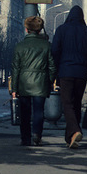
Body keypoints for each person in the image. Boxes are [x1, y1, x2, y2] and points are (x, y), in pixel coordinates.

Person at [50, 5, 87, 149]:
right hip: (81, 73)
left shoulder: (61, 30)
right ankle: (70, 138)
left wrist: (58, 67)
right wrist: (86, 66)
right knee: (76, 103)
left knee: (67, 103)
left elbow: (54, 50)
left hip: (65, 72)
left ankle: (76, 130)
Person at [10, 16, 57, 146]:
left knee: (24, 112)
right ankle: (37, 134)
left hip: (23, 83)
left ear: (26, 29)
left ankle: (25, 138)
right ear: (40, 30)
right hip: (40, 82)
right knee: (39, 111)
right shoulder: (46, 45)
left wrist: (14, 88)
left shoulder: (20, 46)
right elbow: (52, 67)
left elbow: (15, 69)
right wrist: (49, 82)